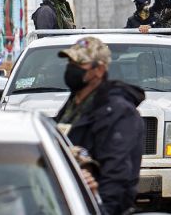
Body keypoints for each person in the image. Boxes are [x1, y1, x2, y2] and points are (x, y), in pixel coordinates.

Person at [55, 37, 145, 215]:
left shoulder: (118, 111)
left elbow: (116, 173)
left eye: (79, 64)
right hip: (71, 201)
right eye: (69, 62)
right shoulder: (75, 103)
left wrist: (103, 209)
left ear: (100, 70)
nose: (71, 68)